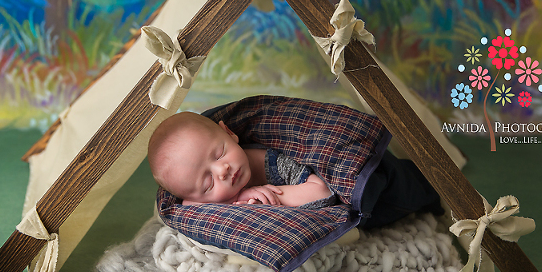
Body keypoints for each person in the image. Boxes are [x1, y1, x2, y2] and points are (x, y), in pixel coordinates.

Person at [148, 110, 442, 228]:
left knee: (414, 190)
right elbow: (186, 206)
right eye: (208, 183)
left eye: (219, 153)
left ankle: (435, 188)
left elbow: (322, 191)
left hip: (381, 188)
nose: (223, 170)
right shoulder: (200, 200)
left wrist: (272, 195)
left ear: (229, 133)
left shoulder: (269, 162)